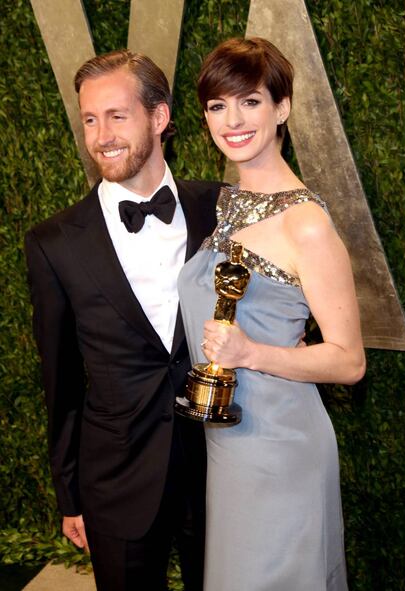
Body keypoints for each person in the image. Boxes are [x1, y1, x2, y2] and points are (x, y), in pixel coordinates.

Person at [24, 49, 223, 591]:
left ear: (158, 118)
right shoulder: (53, 243)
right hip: (117, 476)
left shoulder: (222, 209)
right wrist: (70, 495)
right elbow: (59, 381)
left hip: (222, 467)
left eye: (117, 115)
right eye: (90, 119)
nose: (101, 135)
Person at [177, 37, 366, 591]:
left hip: (282, 449)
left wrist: (252, 353)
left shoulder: (305, 222)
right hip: (229, 444)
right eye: (217, 105)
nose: (232, 120)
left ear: (281, 108)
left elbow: (349, 362)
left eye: (250, 101)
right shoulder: (225, 205)